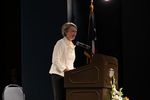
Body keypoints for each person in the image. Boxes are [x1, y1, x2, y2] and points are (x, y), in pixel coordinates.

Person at [49, 22, 77, 100]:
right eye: (72, 31)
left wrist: (73, 71)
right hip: (58, 75)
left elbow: (69, 62)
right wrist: (65, 69)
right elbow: (55, 60)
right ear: (65, 32)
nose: (74, 33)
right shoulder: (60, 43)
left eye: (75, 31)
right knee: (59, 98)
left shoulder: (71, 45)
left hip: (68, 76)